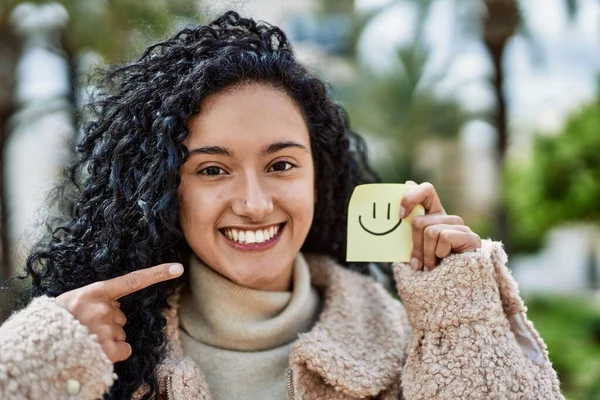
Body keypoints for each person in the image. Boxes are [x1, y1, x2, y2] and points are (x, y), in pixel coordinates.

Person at [0, 11, 563, 400]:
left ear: (321, 176)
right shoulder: (98, 344)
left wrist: (462, 314)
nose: (253, 202)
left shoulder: (399, 339)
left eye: (281, 164)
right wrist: (47, 361)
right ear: (165, 186)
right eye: (212, 170)